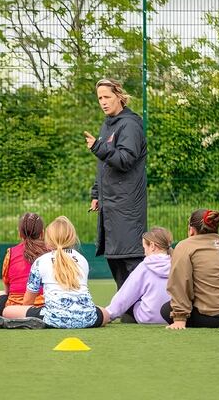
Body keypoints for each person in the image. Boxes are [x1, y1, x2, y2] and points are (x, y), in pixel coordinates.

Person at [84, 78, 147, 289]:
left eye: (107, 97)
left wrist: (98, 147)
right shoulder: (108, 124)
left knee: (131, 256)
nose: (103, 102)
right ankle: (127, 308)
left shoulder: (130, 125)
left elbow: (126, 159)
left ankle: (141, 307)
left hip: (126, 203)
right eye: (100, 97)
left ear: (119, 96)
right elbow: (104, 165)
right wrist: (96, 194)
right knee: (114, 256)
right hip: (110, 203)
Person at [2, 216, 109, 329]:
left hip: (53, 318)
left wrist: (26, 312)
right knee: (105, 313)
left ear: (48, 240)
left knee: (7, 311)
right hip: (88, 318)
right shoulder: (82, 260)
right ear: (73, 238)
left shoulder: (40, 261)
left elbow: (28, 301)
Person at [105, 227, 172, 324]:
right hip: (172, 317)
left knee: (130, 301)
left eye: (145, 248)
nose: (144, 253)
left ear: (152, 246)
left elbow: (125, 296)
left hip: (147, 318)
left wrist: (108, 314)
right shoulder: (176, 265)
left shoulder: (145, 267)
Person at [0, 212, 48, 315]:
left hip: (16, 308)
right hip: (45, 305)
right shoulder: (51, 252)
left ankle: (22, 316)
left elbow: (7, 290)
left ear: (20, 233)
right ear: (42, 232)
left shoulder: (11, 253)